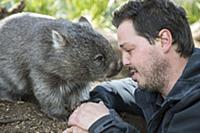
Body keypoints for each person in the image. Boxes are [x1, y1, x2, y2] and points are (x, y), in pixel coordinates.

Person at [64, 0, 200, 132]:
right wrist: (94, 106)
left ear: (164, 41)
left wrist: (103, 125)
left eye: (129, 50)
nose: (124, 61)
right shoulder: (161, 86)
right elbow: (122, 90)